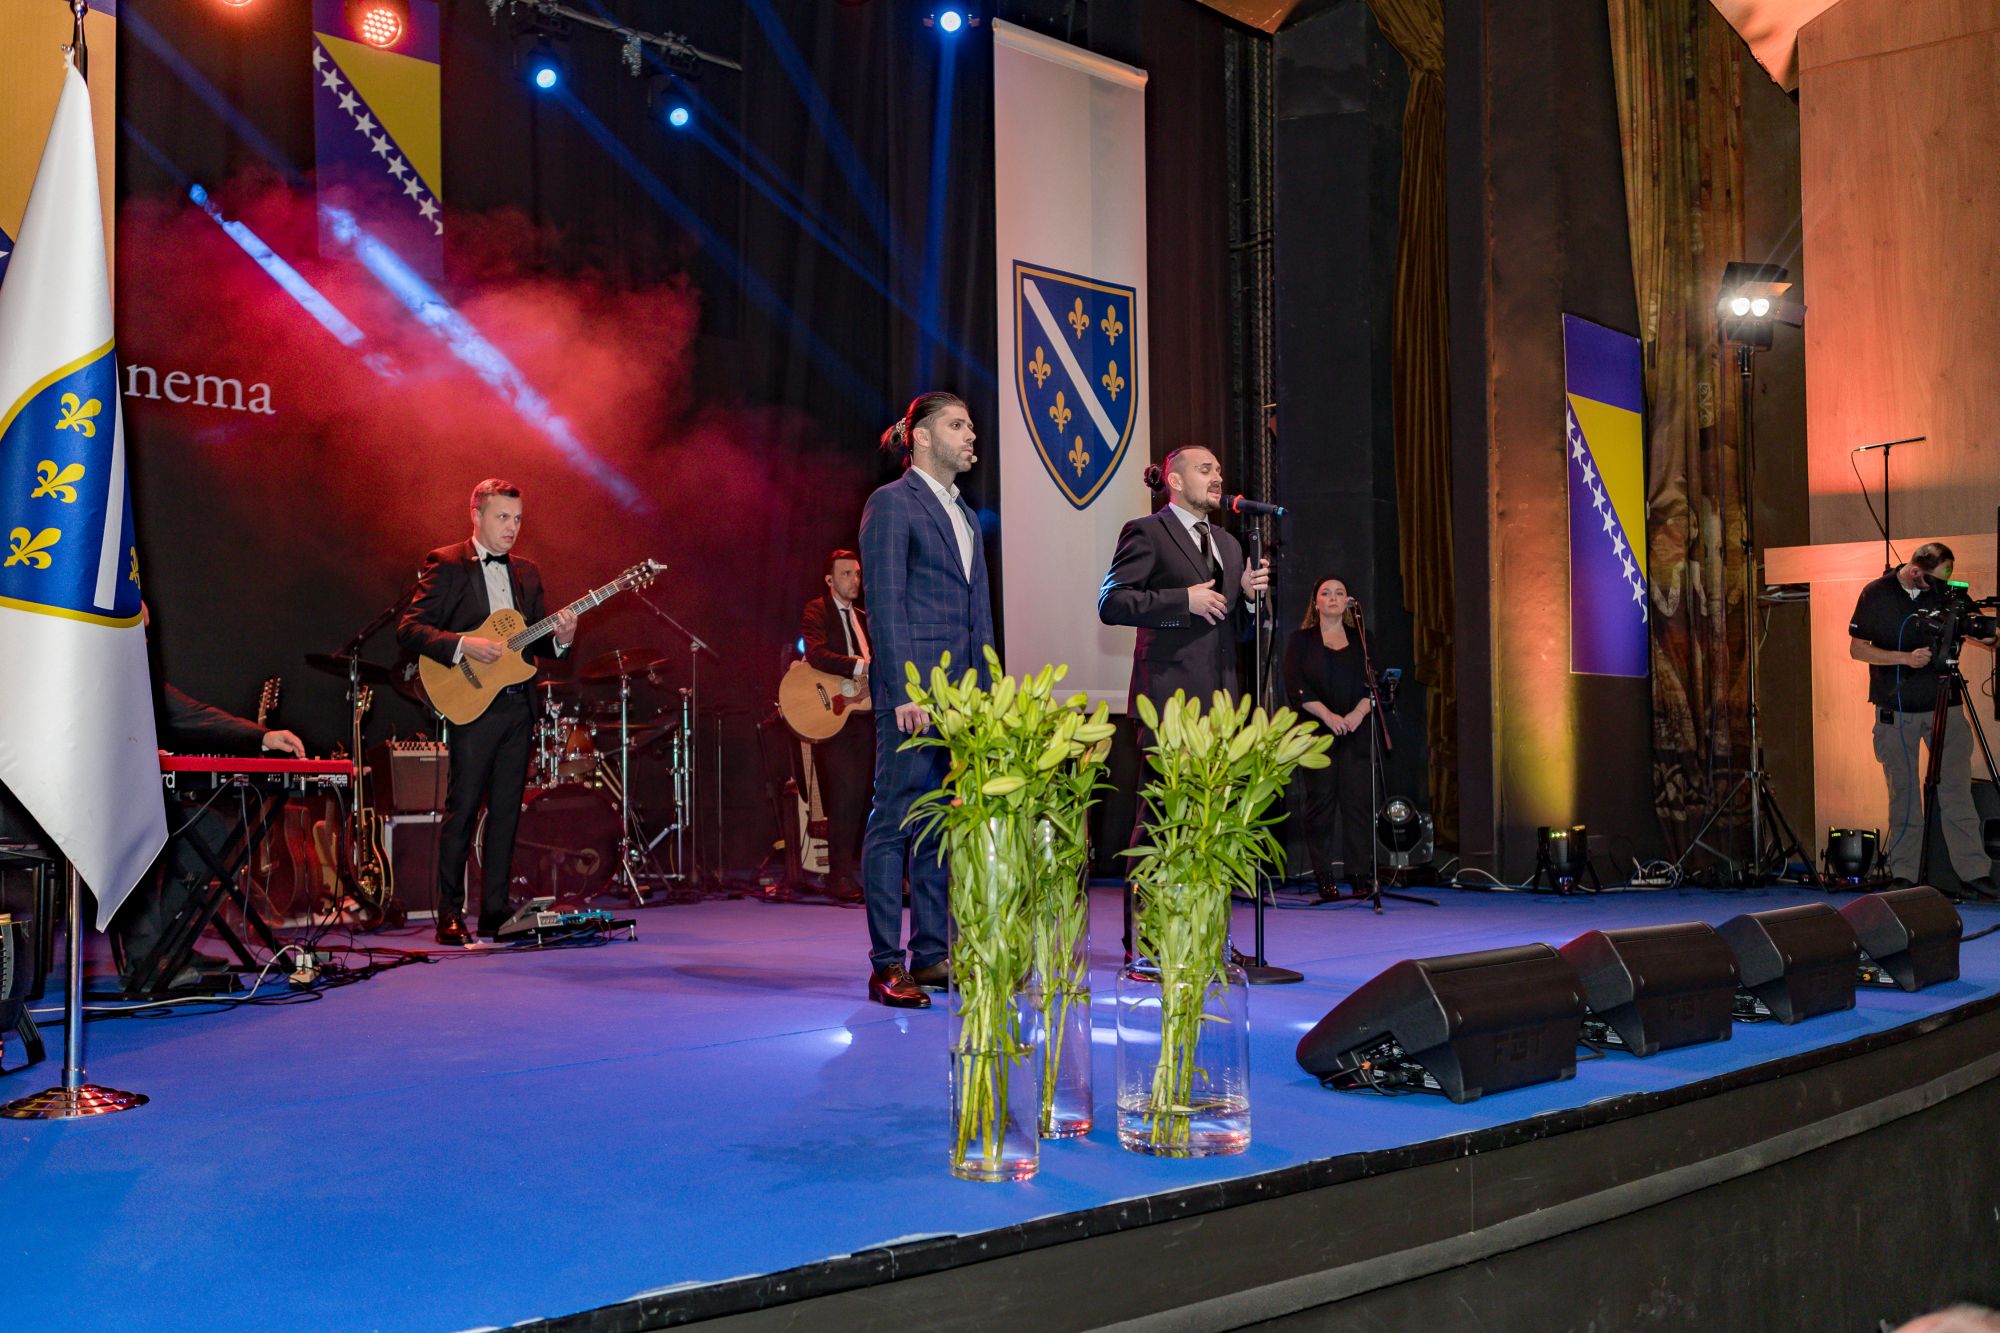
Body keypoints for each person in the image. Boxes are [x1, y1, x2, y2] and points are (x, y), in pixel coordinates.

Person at [856, 392, 995, 1008]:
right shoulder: (891, 503)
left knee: (941, 824)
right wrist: (905, 691)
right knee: (894, 821)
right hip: (914, 695)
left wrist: (988, 692)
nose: (970, 435)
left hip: (963, 697)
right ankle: (887, 964)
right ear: (920, 436)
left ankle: (934, 954)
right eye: (957, 425)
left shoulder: (965, 514)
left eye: (971, 426)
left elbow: (978, 613)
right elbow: (885, 604)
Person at [397, 479, 577, 945]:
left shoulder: (528, 572)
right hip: (472, 703)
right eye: (502, 517)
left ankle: (495, 913)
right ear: (476, 516)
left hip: (519, 704)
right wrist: (463, 645)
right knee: (462, 810)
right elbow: (410, 629)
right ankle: (450, 913)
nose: (512, 527)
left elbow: (535, 642)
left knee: (506, 814)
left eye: (517, 519)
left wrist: (562, 638)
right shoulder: (446, 563)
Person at [115, 676, 307, 992]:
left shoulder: (138, 675)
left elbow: (194, 714)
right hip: (92, 806)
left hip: (134, 797)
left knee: (209, 828)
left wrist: (264, 736)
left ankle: (169, 946)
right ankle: (145, 961)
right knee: (135, 831)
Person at [1846, 541, 1996, 897]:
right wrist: (1903, 658)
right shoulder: (1876, 593)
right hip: (1895, 711)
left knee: (1957, 791)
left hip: (1946, 707)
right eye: (1935, 580)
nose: (1940, 588)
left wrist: (1985, 631)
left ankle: (1974, 873)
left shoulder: (1946, 594)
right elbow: (1857, 648)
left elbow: (1984, 634)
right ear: (1915, 571)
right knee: (1905, 796)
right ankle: (1905, 875)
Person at [1097, 446, 1269, 717]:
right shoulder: (1148, 532)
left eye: (1219, 471)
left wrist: (1249, 597)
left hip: (1223, 706)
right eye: (1205, 470)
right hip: (1168, 704)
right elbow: (1112, 603)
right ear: (1175, 481)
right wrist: (1185, 601)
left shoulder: (1229, 544)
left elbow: (1240, 633)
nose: (1218, 478)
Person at [1284, 577, 1376, 902]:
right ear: (1316, 602)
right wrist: (1330, 717)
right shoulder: (1301, 641)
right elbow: (1296, 686)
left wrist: (1357, 715)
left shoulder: (1362, 639)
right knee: (1320, 805)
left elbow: (1374, 684)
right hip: (1318, 733)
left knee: (1357, 805)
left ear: (1348, 601)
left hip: (1355, 731)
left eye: (1339, 593)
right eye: (1326, 593)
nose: (1333, 597)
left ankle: (1360, 874)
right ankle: (1324, 876)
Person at [799, 549, 873, 903]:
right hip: (833, 715)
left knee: (863, 796)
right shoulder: (817, 610)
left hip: (865, 714)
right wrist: (860, 666)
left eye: (857, 574)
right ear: (829, 580)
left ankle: (863, 873)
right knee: (843, 795)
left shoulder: (864, 618)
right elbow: (816, 653)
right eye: (846, 574)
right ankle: (838, 876)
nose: (854, 580)